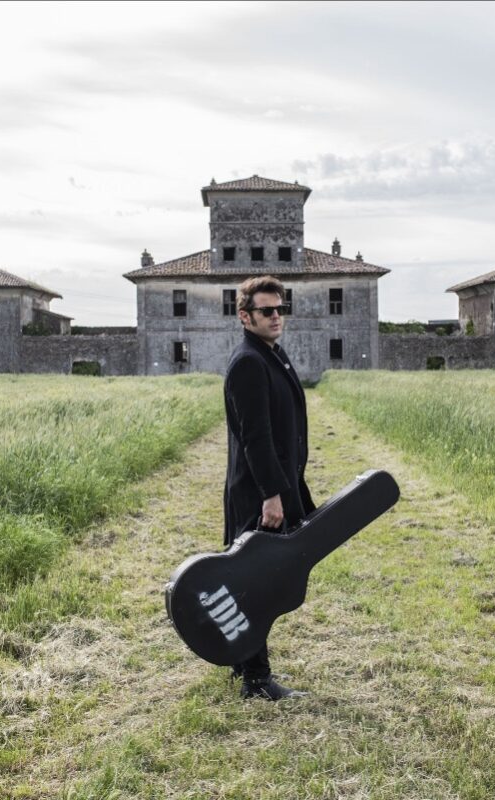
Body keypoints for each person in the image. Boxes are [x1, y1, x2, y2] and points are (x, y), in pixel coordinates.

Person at [223, 274, 315, 701]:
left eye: (280, 309)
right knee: (254, 583)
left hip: (272, 486)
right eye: (266, 310)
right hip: (256, 493)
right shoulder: (249, 362)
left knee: (250, 577)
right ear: (245, 316)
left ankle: (241, 660)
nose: (276, 316)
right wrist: (271, 495)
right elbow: (256, 438)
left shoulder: (271, 354)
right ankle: (256, 680)